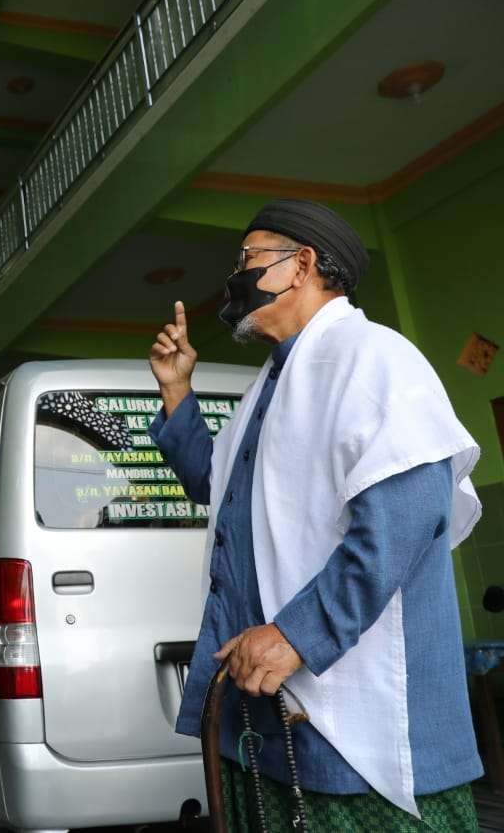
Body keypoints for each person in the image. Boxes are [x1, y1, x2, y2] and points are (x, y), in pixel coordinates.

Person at [147, 199, 482, 829]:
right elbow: (219, 488)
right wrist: (176, 393)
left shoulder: (374, 358)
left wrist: (297, 634)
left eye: (248, 260)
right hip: (266, 710)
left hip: (348, 721)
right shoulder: (269, 387)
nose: (235, 278)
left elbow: (403, 521)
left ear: (300, 265)